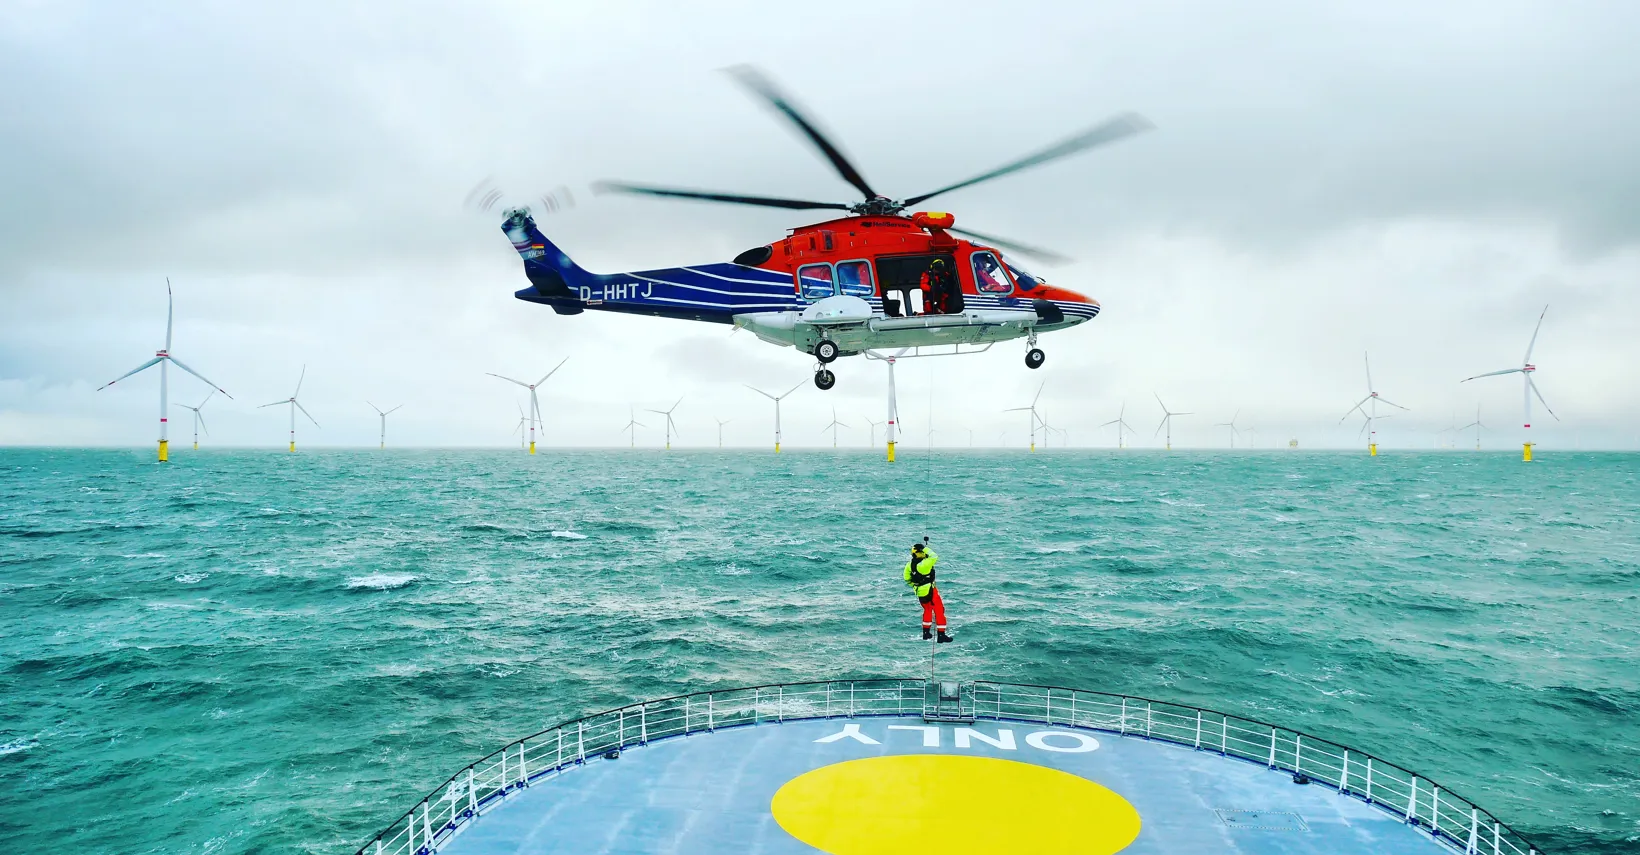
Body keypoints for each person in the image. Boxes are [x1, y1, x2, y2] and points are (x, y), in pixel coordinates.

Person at [903, 542, 951, 642]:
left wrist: (915, 587)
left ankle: (926, 633)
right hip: (930, 591)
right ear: (920, 553)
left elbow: (907, 578)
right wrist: (925, 548)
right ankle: (941, 635)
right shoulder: (925, 564)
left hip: (920, 593)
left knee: (927, 610)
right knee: (939, 611)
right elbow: (934, 556)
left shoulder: (909, 565)